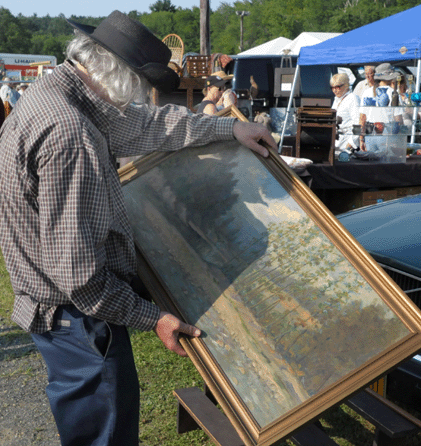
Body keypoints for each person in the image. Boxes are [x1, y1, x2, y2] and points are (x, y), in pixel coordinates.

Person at [0, 11, 276, 446]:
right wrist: (154, 317)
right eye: (141, 83)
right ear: (119, 75)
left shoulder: (64, 90)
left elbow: (148, 124)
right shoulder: (72, 133)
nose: (141, 97)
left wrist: (230, 126)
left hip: (60, 311)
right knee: (104, 435)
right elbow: (81, 279)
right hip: (78, 320)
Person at [359, 63, 403, 154]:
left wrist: (361, 139)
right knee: (386, 166)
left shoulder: (367, 92)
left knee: (371, 165)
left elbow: (362, 118)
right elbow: (398, 120)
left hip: (370, 135)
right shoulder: (393, 94)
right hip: (387, 136)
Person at [330, 73, 359, 154]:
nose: (334, 90)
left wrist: (351, 143)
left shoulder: (352, 98)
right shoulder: (336, 100)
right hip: (338, 142)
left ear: (345, 85)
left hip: (348, 143)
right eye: (332, 87)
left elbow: (358, 123)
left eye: (337, 87)